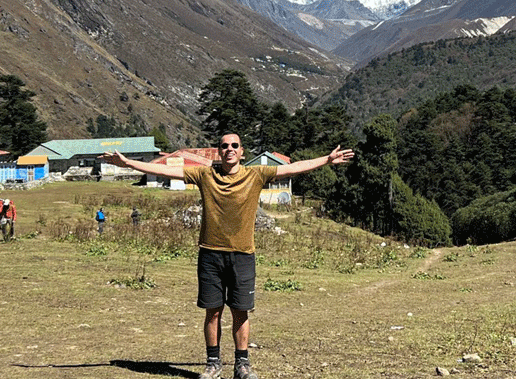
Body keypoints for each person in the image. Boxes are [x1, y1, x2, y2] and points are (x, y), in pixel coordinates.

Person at [101, 133, 353, 379]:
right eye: (224, 145)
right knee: (213, 312)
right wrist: (128, 163)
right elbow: (167, 170)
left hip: (243, 255)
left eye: (235, 145)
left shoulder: (256, 174)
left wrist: (326, 160)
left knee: (241, 312)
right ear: (219, 151)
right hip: (210, 255)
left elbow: (294, 168)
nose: (230, 148)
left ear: (242, 152)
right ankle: (213, 364)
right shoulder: (204, 174)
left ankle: (242, 365)